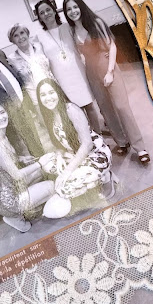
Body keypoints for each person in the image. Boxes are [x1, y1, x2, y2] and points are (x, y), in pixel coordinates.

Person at [63, 0, 151, 165]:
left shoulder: (96, 23)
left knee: (122, 107)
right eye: (69, 9)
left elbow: (112, 46)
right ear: (66, 13)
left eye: (75, 7)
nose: (73, 11)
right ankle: (122, 142)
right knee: (106, 109)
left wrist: (110, 71)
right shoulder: (72, 31)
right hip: (91, 72)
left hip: (108, 67)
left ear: (81, 6)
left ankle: (140, 147)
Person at [37, 78, 113, 219]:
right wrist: (59, 156)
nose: (48, 98)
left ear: (58, 92)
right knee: (46, 164)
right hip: (74, 154)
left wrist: (67, 171)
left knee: (65, 188)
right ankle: (87, 182)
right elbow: (59, 143)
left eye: (51, 92)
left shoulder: (71, 109)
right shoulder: (49, 114)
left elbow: (87, 144)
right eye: (43, 95)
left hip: (95, 154)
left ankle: (105, 177)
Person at [34, 0, 104, 134]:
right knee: (75, 110)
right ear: (39, 18)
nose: (46, 14)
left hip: (78, 73)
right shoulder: (39, 37)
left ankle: (98, 136)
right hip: (62, 79)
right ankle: (87, 136)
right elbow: (41, 61)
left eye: (48, 10)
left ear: (54, 11)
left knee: (89, 106)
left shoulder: (68, 27)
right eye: (42, 13)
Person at [0, 102, 55, 232]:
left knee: (43, 172)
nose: (0, 117)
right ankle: (14, 216)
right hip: (8, 201)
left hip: (13, 187)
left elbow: (6, 162)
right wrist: (40, 163)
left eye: (2, 112)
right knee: (51, 186)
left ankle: (29, 206)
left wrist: (21, 158)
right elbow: (17, 175)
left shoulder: (2, 136)